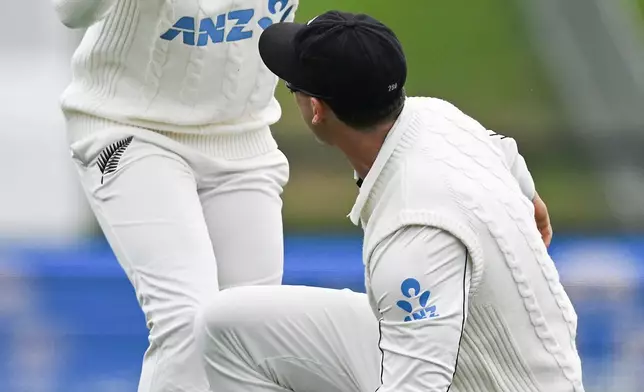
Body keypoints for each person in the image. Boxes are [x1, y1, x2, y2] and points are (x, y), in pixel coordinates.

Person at [195, 10, 584, 392]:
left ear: (317, 110)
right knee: (226, 324)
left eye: (291, 85)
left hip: (484, 382)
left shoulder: (414, 234)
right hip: (486, 364)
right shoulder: (437, 114)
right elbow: (506, 152)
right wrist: (531, 198)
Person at [52, 1, 299, 391]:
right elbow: (71, 12)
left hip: (242, 135)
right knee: (188, 321)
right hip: (127, 126)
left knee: (253, 335)